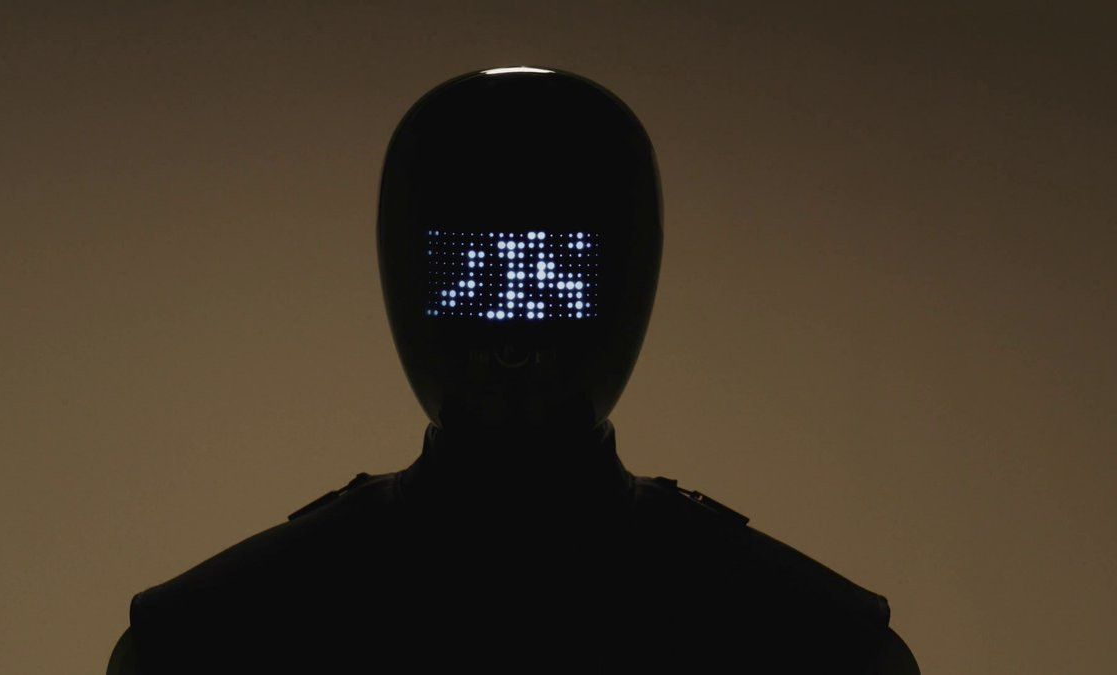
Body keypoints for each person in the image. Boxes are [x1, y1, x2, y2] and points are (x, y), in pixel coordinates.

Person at [108, 66, 919, 674]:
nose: (514, 338)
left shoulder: (205, 632)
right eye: (474, 271)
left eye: (557, 271)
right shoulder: (820, 637)